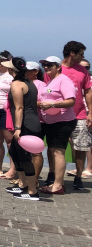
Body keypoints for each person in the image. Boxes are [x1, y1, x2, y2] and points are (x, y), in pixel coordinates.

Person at [37, 56, 77, 195]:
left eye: (50, 65)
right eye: (45, 65)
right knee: (53, 151)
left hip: (63, 121)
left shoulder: (64, 80)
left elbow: (71, 101)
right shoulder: (51, 81)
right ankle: (55, 182)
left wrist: (52, 104)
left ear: (59, 67)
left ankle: (58, 185)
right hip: (51, 121)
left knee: (58, 152)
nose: (46, 67)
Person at [6, 57, 42, 201]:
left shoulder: (17, 84)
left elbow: (19, 108)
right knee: (14, 152)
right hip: (28, 122)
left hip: (26, 124)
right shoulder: (28, 82)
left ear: (12, 69)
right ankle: (22, 184)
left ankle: (33, 191)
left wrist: (18, 128)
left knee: (25, 157)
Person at [57, 41, 92, 191]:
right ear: (72, 53)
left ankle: (78, 176)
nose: (82, 57)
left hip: (79, 114)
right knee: (57, 147)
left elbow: (88, 92)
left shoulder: (83, 71)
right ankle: (55, 176)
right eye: (81, 54)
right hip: (58, 115)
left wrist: (91, 112)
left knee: (80, 147)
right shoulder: (56, 69)